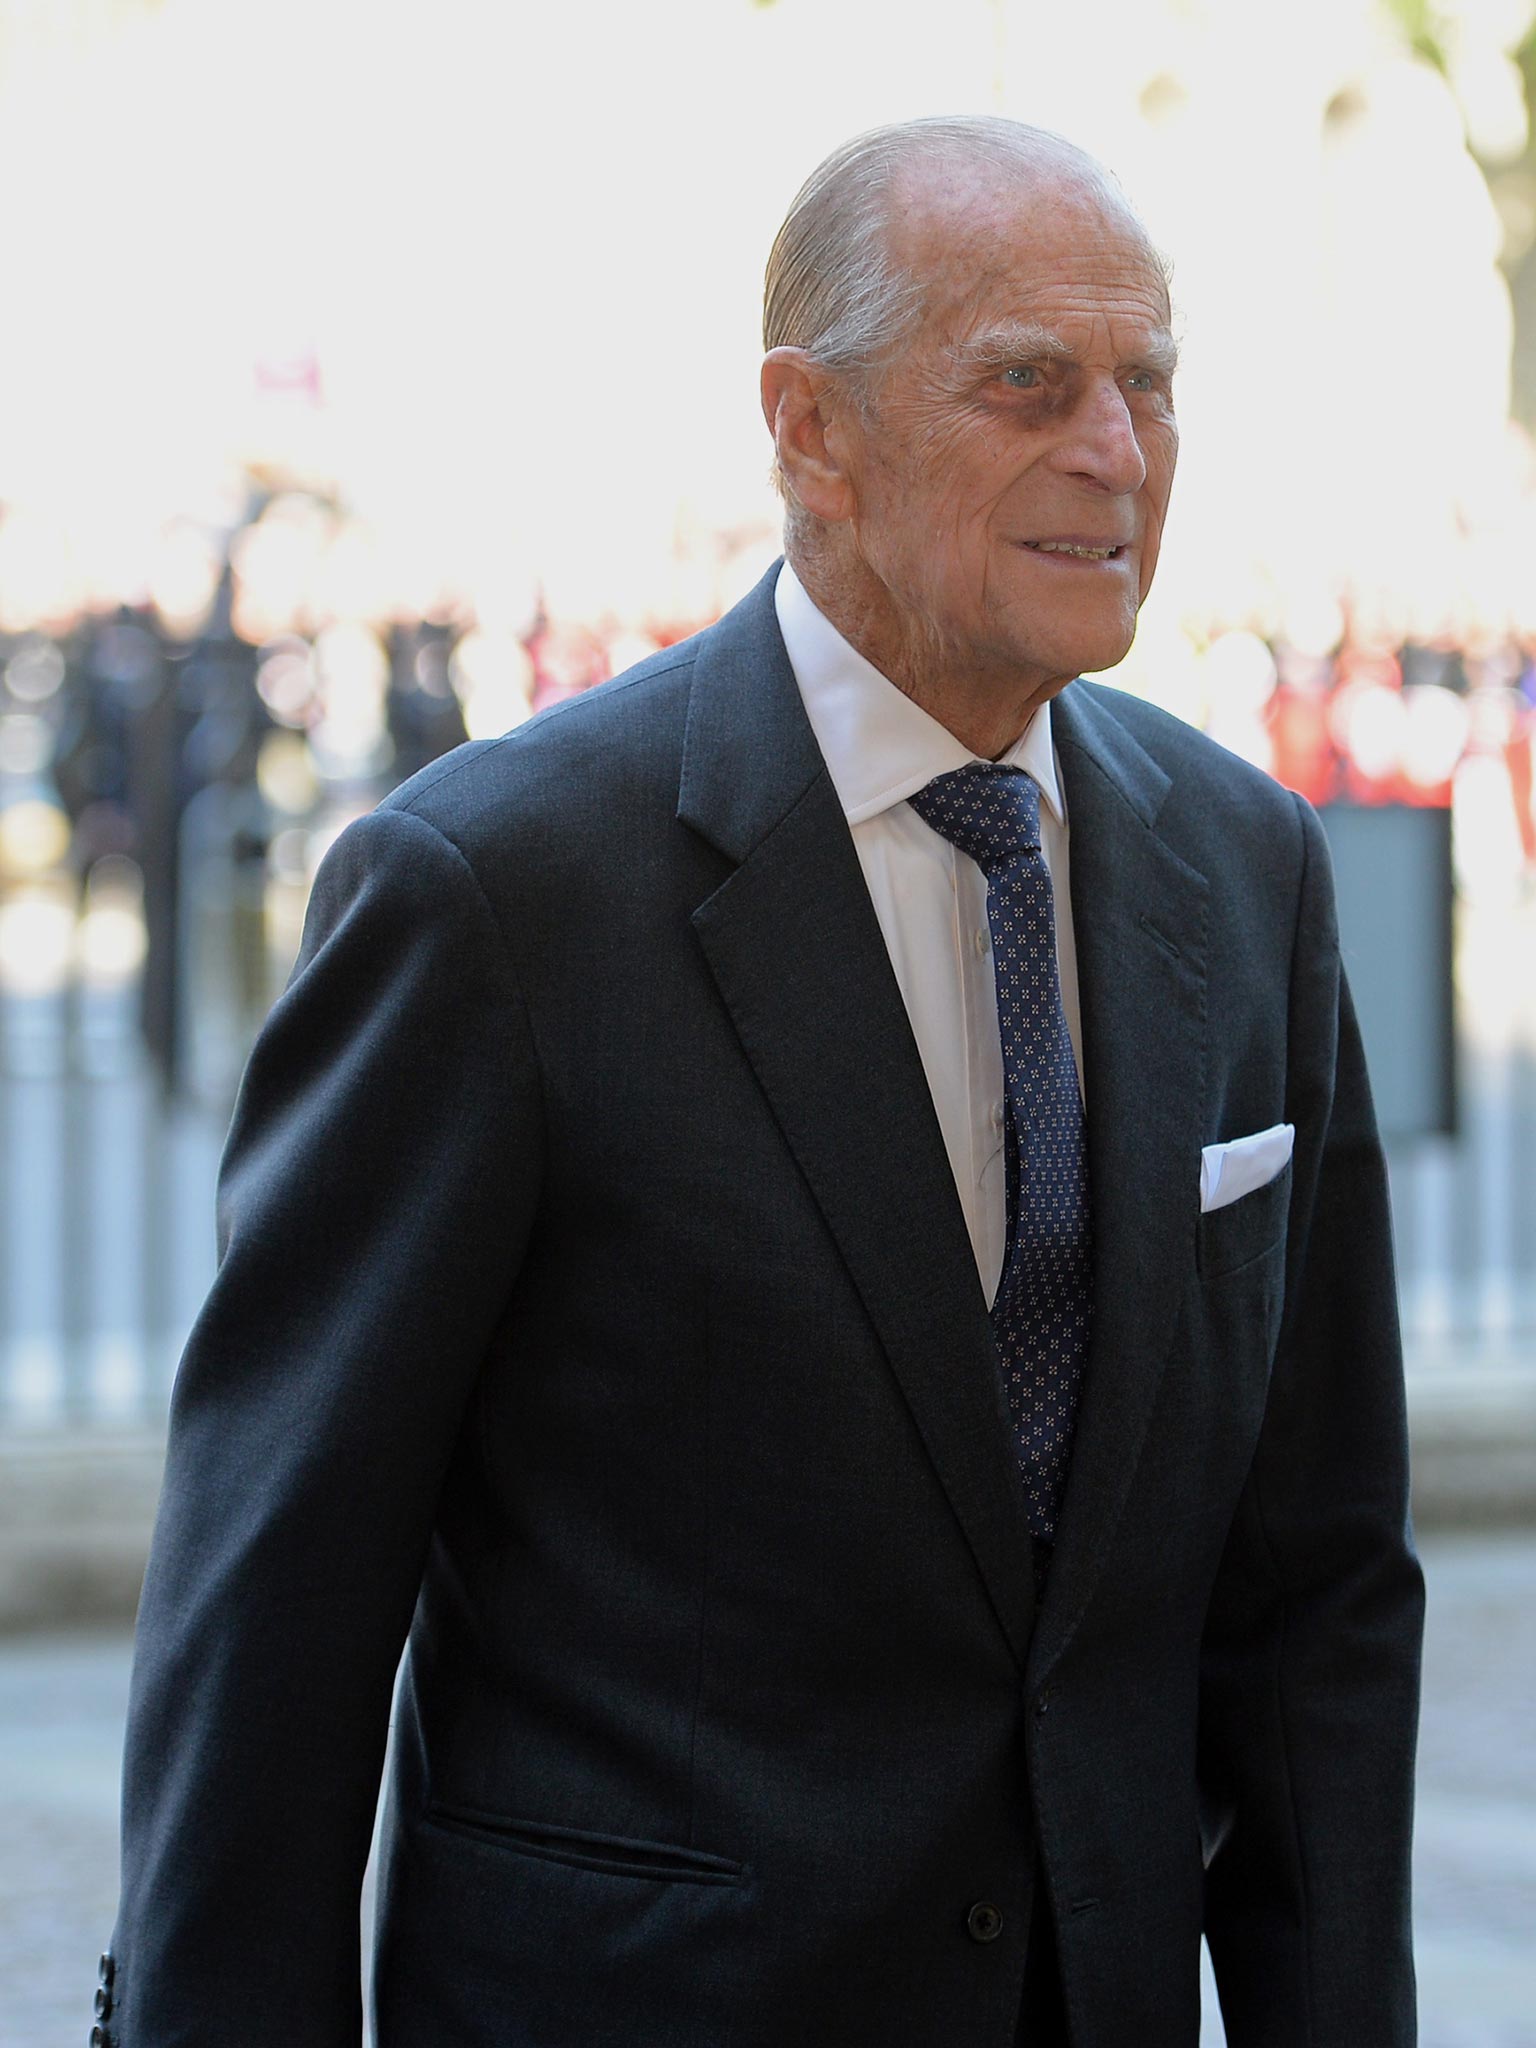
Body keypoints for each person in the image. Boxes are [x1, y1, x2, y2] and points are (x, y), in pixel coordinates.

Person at [101, 117, 1424, 2048]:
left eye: (1149, 384)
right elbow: (276, 1622)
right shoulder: (499, 892)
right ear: (810, 429)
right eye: (1028, 384)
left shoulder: (1248, 867)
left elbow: (1315, 1601)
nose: (1120, 453)